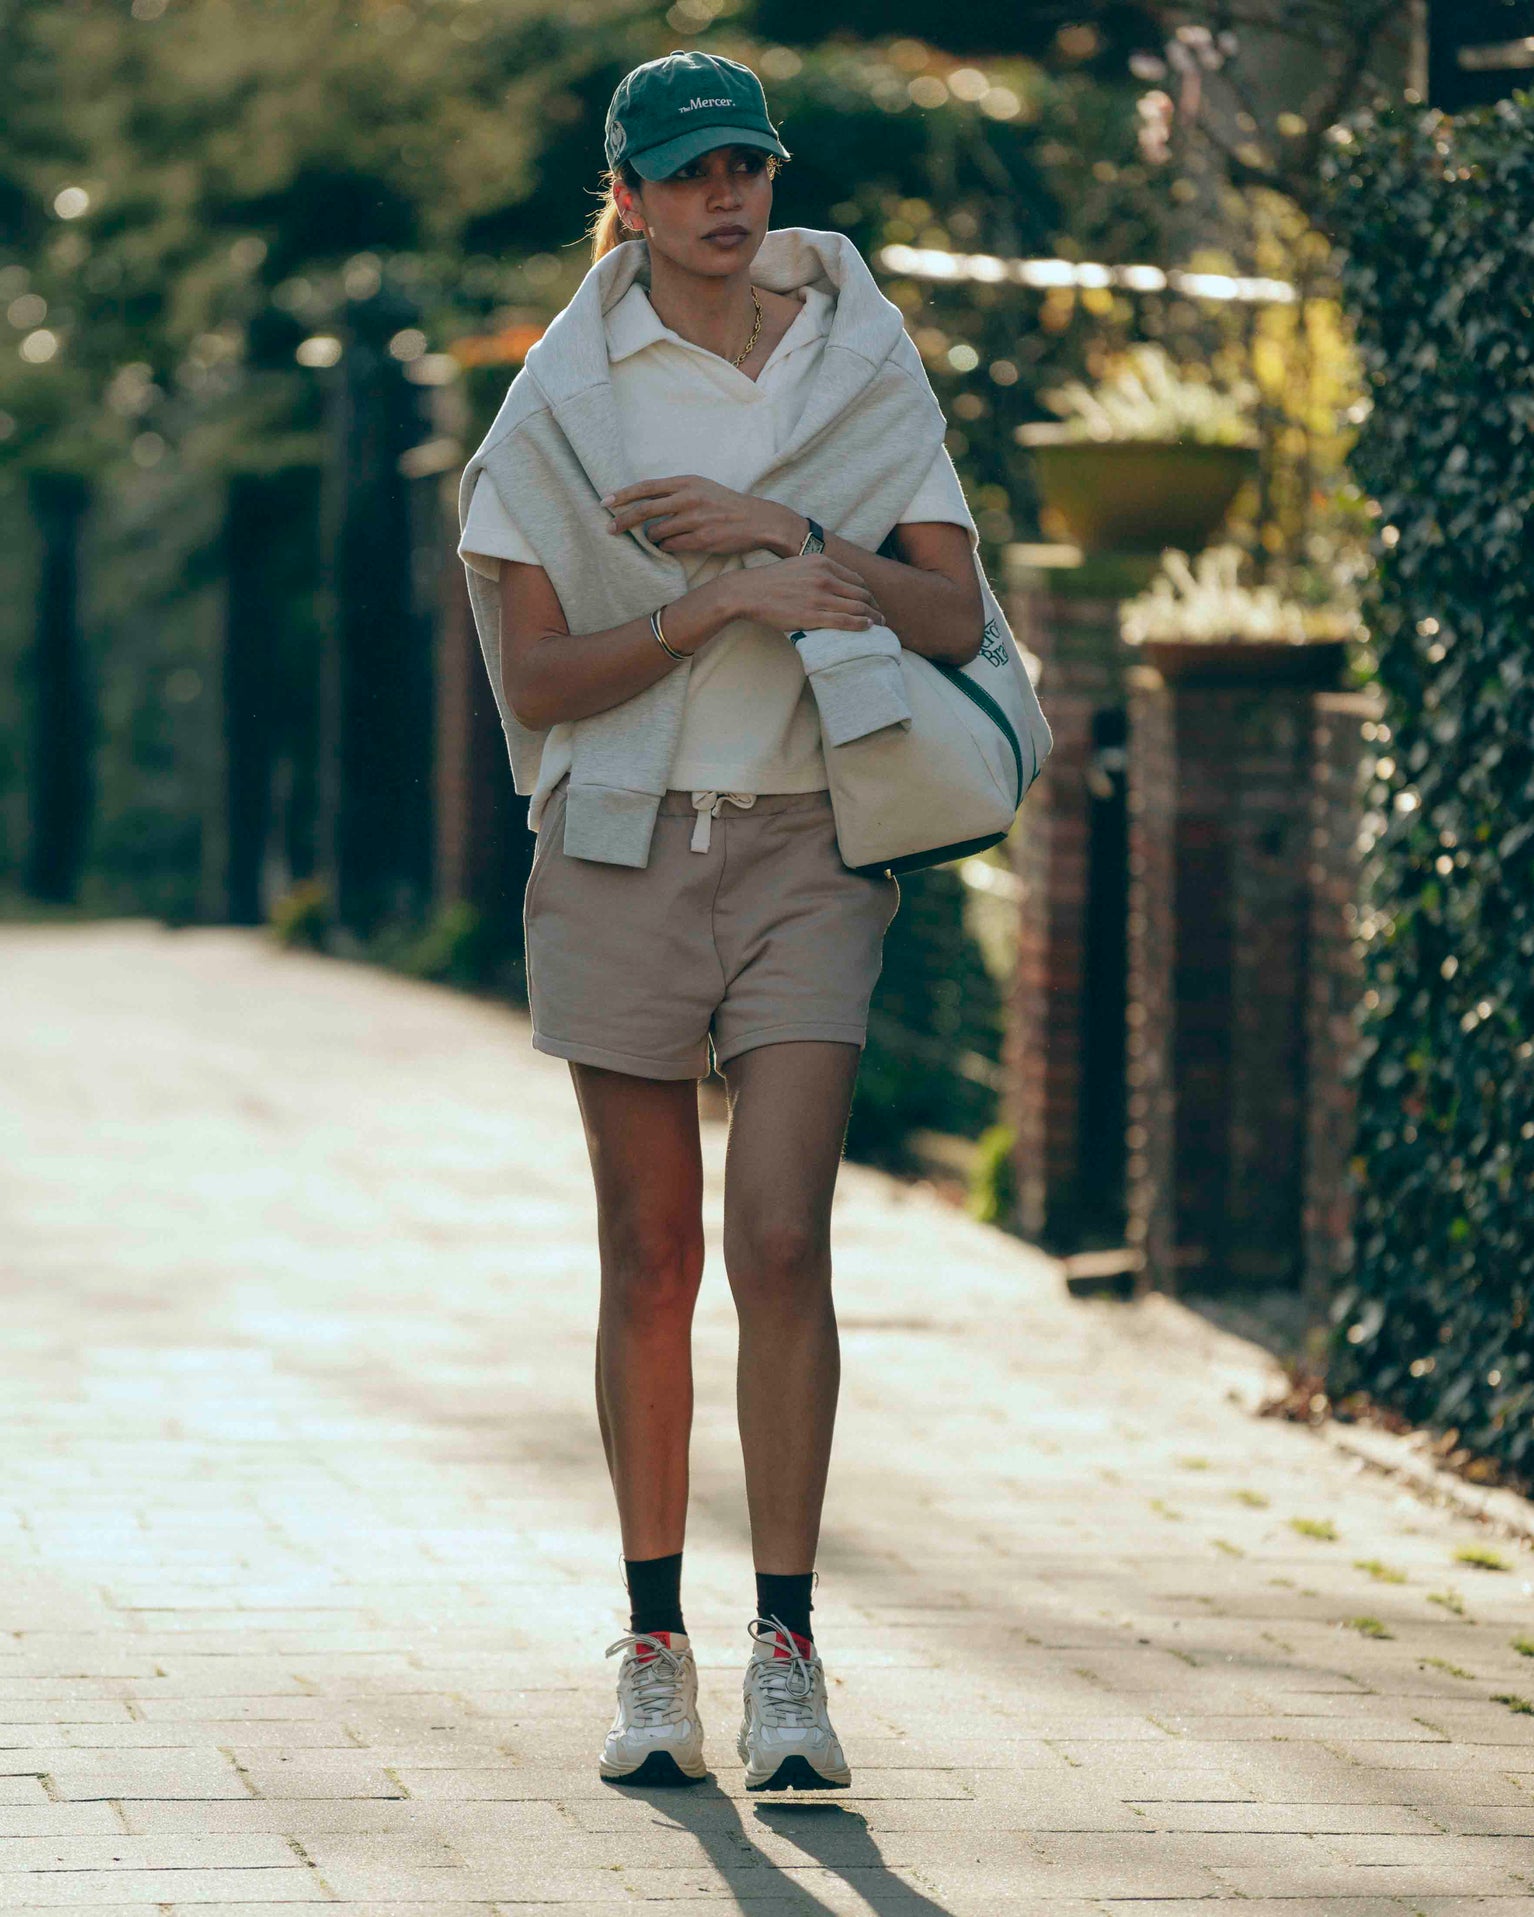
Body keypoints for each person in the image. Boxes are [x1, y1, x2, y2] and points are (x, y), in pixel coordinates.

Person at [456, 47, 984, 1791]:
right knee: (649, 1255)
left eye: (745, 163)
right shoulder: (566, 400)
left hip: (805, 843)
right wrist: (712, 609)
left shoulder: (856, 343)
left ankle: (788, 1653)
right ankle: (652, 1646)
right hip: (612, 849)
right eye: (684, 174)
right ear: (622, 197)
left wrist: (783, 528)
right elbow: (534, 673)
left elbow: (948, 611)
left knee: (779, 1242)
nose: (723, 196)